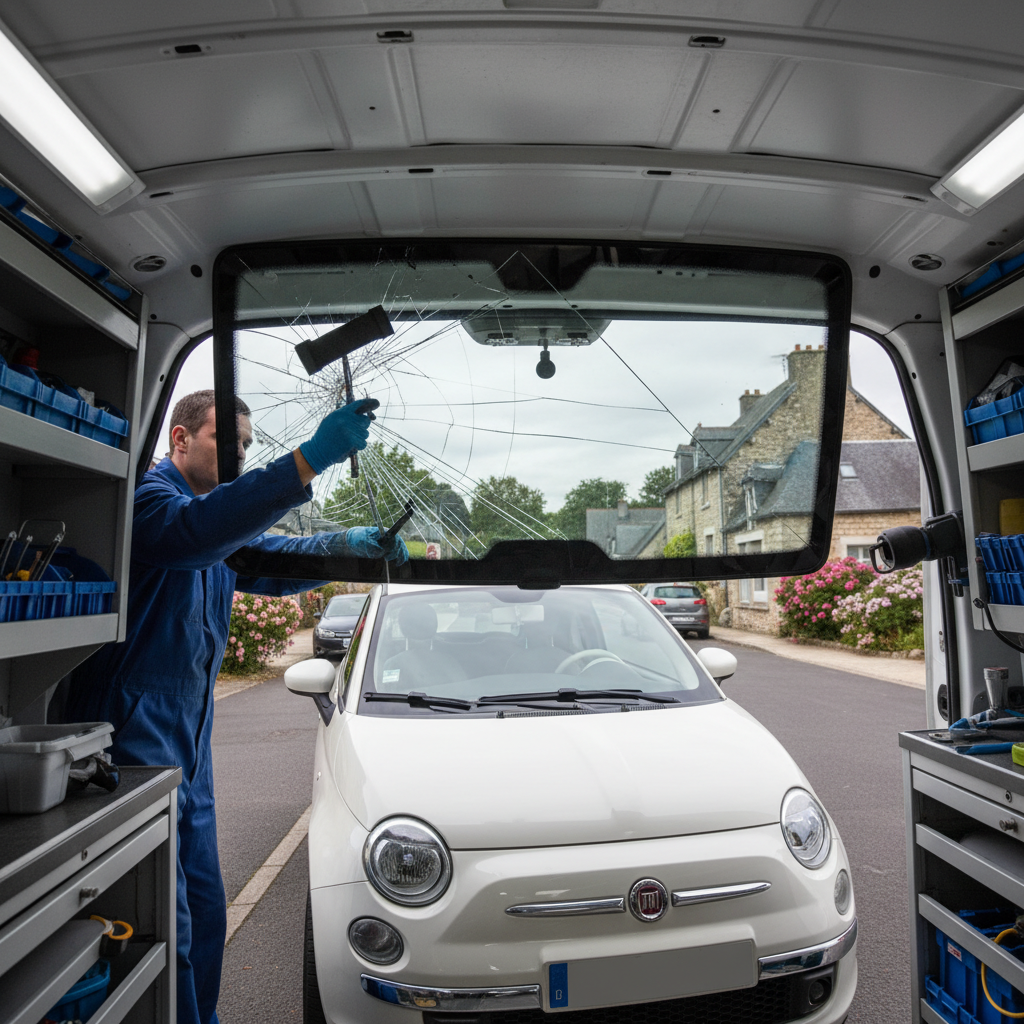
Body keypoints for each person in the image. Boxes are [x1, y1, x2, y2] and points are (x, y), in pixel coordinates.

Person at [58, 389, 407, 1024]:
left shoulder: (218, 523)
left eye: (248, 446)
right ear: (179, 440)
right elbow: (197, 536)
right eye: (228, 441)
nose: (240, 455)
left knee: (205, 905)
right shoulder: (150, 505)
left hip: (190, 734)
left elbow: (266, 560)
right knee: (169, 917)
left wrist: (353, 546)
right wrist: (307, 460)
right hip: (131, 729)